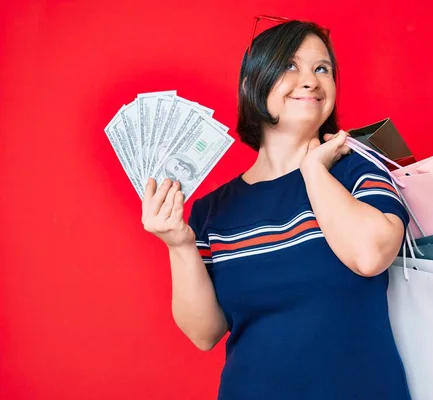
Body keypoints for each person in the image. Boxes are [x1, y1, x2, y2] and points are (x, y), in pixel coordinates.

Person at [141, 20, 411, 400]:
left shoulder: (359, 168)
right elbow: (205, 334)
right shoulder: (213, 210)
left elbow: (370, 256)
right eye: (289, 66)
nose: (311, 80)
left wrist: (313, 169)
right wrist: (179, 245)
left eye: (322, 69)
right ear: (253, 85)